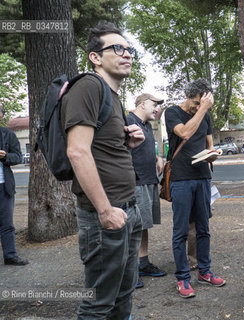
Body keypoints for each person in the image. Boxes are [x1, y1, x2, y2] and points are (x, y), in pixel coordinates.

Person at [62, 22, 145, 319]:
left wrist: (129, 142)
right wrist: (105, 210)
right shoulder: (89, 86)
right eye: (117, 48)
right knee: (98, 304)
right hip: (105, 214)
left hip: (128, 210)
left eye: (129, 50)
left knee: (123, 295)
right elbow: (77, 151)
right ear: (95, 57)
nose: (127, 55)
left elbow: (101, 149)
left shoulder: (114, 96)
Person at [164, 79, 226, 298]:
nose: (198, 108)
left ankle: (205, 271)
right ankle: (182, 277)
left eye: (202, 104)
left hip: (202, 177)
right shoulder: (172, 112)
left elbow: (209, 146)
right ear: (187, 96)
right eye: (195, 103)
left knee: (203, 228)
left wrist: (213, 154)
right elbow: (185, 133)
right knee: (180, 231)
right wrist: (204, 109)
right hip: (180, 178)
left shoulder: (205, 116)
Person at [127, 93, 167, 289]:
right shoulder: (127, 121)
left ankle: (143, 264)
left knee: (143, 226)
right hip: (135, 182)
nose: (157, 109)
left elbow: (149, 147)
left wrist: (158, 157)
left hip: (149, 180)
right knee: (133, 227)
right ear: (142, 104)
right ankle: (130, 271)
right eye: (154, 105)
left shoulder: (147, 125)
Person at [0, 106, 28, 266]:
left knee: (7, 224)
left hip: (4, 186)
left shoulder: (8, 134)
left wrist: (5, 157)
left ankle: (10, 256)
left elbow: (18, 157)